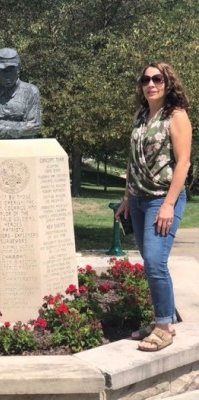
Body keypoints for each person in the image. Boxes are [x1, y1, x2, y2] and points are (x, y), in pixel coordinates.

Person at [115, 62, 192, 352]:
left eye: (157, 78)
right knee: (151, 262)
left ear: (168, 83)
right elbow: (131, 160)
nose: (151, 83)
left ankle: (164, 328)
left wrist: (169, 205)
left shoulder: (177, 116)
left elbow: (183, 162)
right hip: (137, 199)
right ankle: (164, 318)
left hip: (162, 198)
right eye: (146, 79)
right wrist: (126, 197)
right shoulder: (142, 115)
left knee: (156, 262)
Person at [0, 47, 42, 139]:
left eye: (11, 70)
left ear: (19, 68)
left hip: (24, 148)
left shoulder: (31, 91)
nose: (7, 75)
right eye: (3, 70)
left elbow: (33, 128)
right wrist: (21, 129)